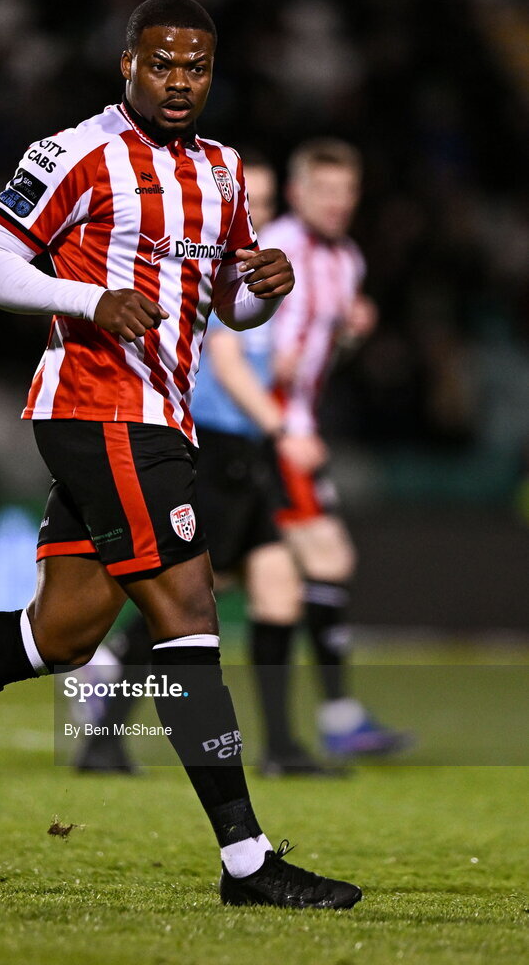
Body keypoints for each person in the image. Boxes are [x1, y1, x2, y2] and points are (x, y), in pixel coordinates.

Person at [0, 0, 361, 910]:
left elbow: (229, 301)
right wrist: (89, 299)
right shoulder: (74, 152)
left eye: (197, 66)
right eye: (162, 63)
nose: (179, 81)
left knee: (56, 634)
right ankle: (247, 861)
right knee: (188, 613)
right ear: (126, 63)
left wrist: (268, 293)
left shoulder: (222, 170)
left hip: (160, 415)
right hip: (99, 409)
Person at [75, 155, 342, 778]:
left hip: (249, 455)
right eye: (259, 199)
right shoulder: (217, 265)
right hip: (217, 450)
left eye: (271, 202)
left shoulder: (263, 277)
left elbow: (263, 362)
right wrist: (280, 427)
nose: (264, 212)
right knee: (178, 604)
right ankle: (103, 734)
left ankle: (280, 748)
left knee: (279, 589)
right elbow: (223, 360)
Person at [261, 138, 411, 758]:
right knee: (321, 559)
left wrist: (348, 335)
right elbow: (238, 343)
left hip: (294, 428)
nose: (338, 203)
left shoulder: (347, 260)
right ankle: (337, 717)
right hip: (265, 429)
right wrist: (282, 423)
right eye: (325, 190)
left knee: (227, 574)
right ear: (298, 194)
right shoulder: (277, 249)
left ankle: (108, 673)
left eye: (347, 190)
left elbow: (318, 356)